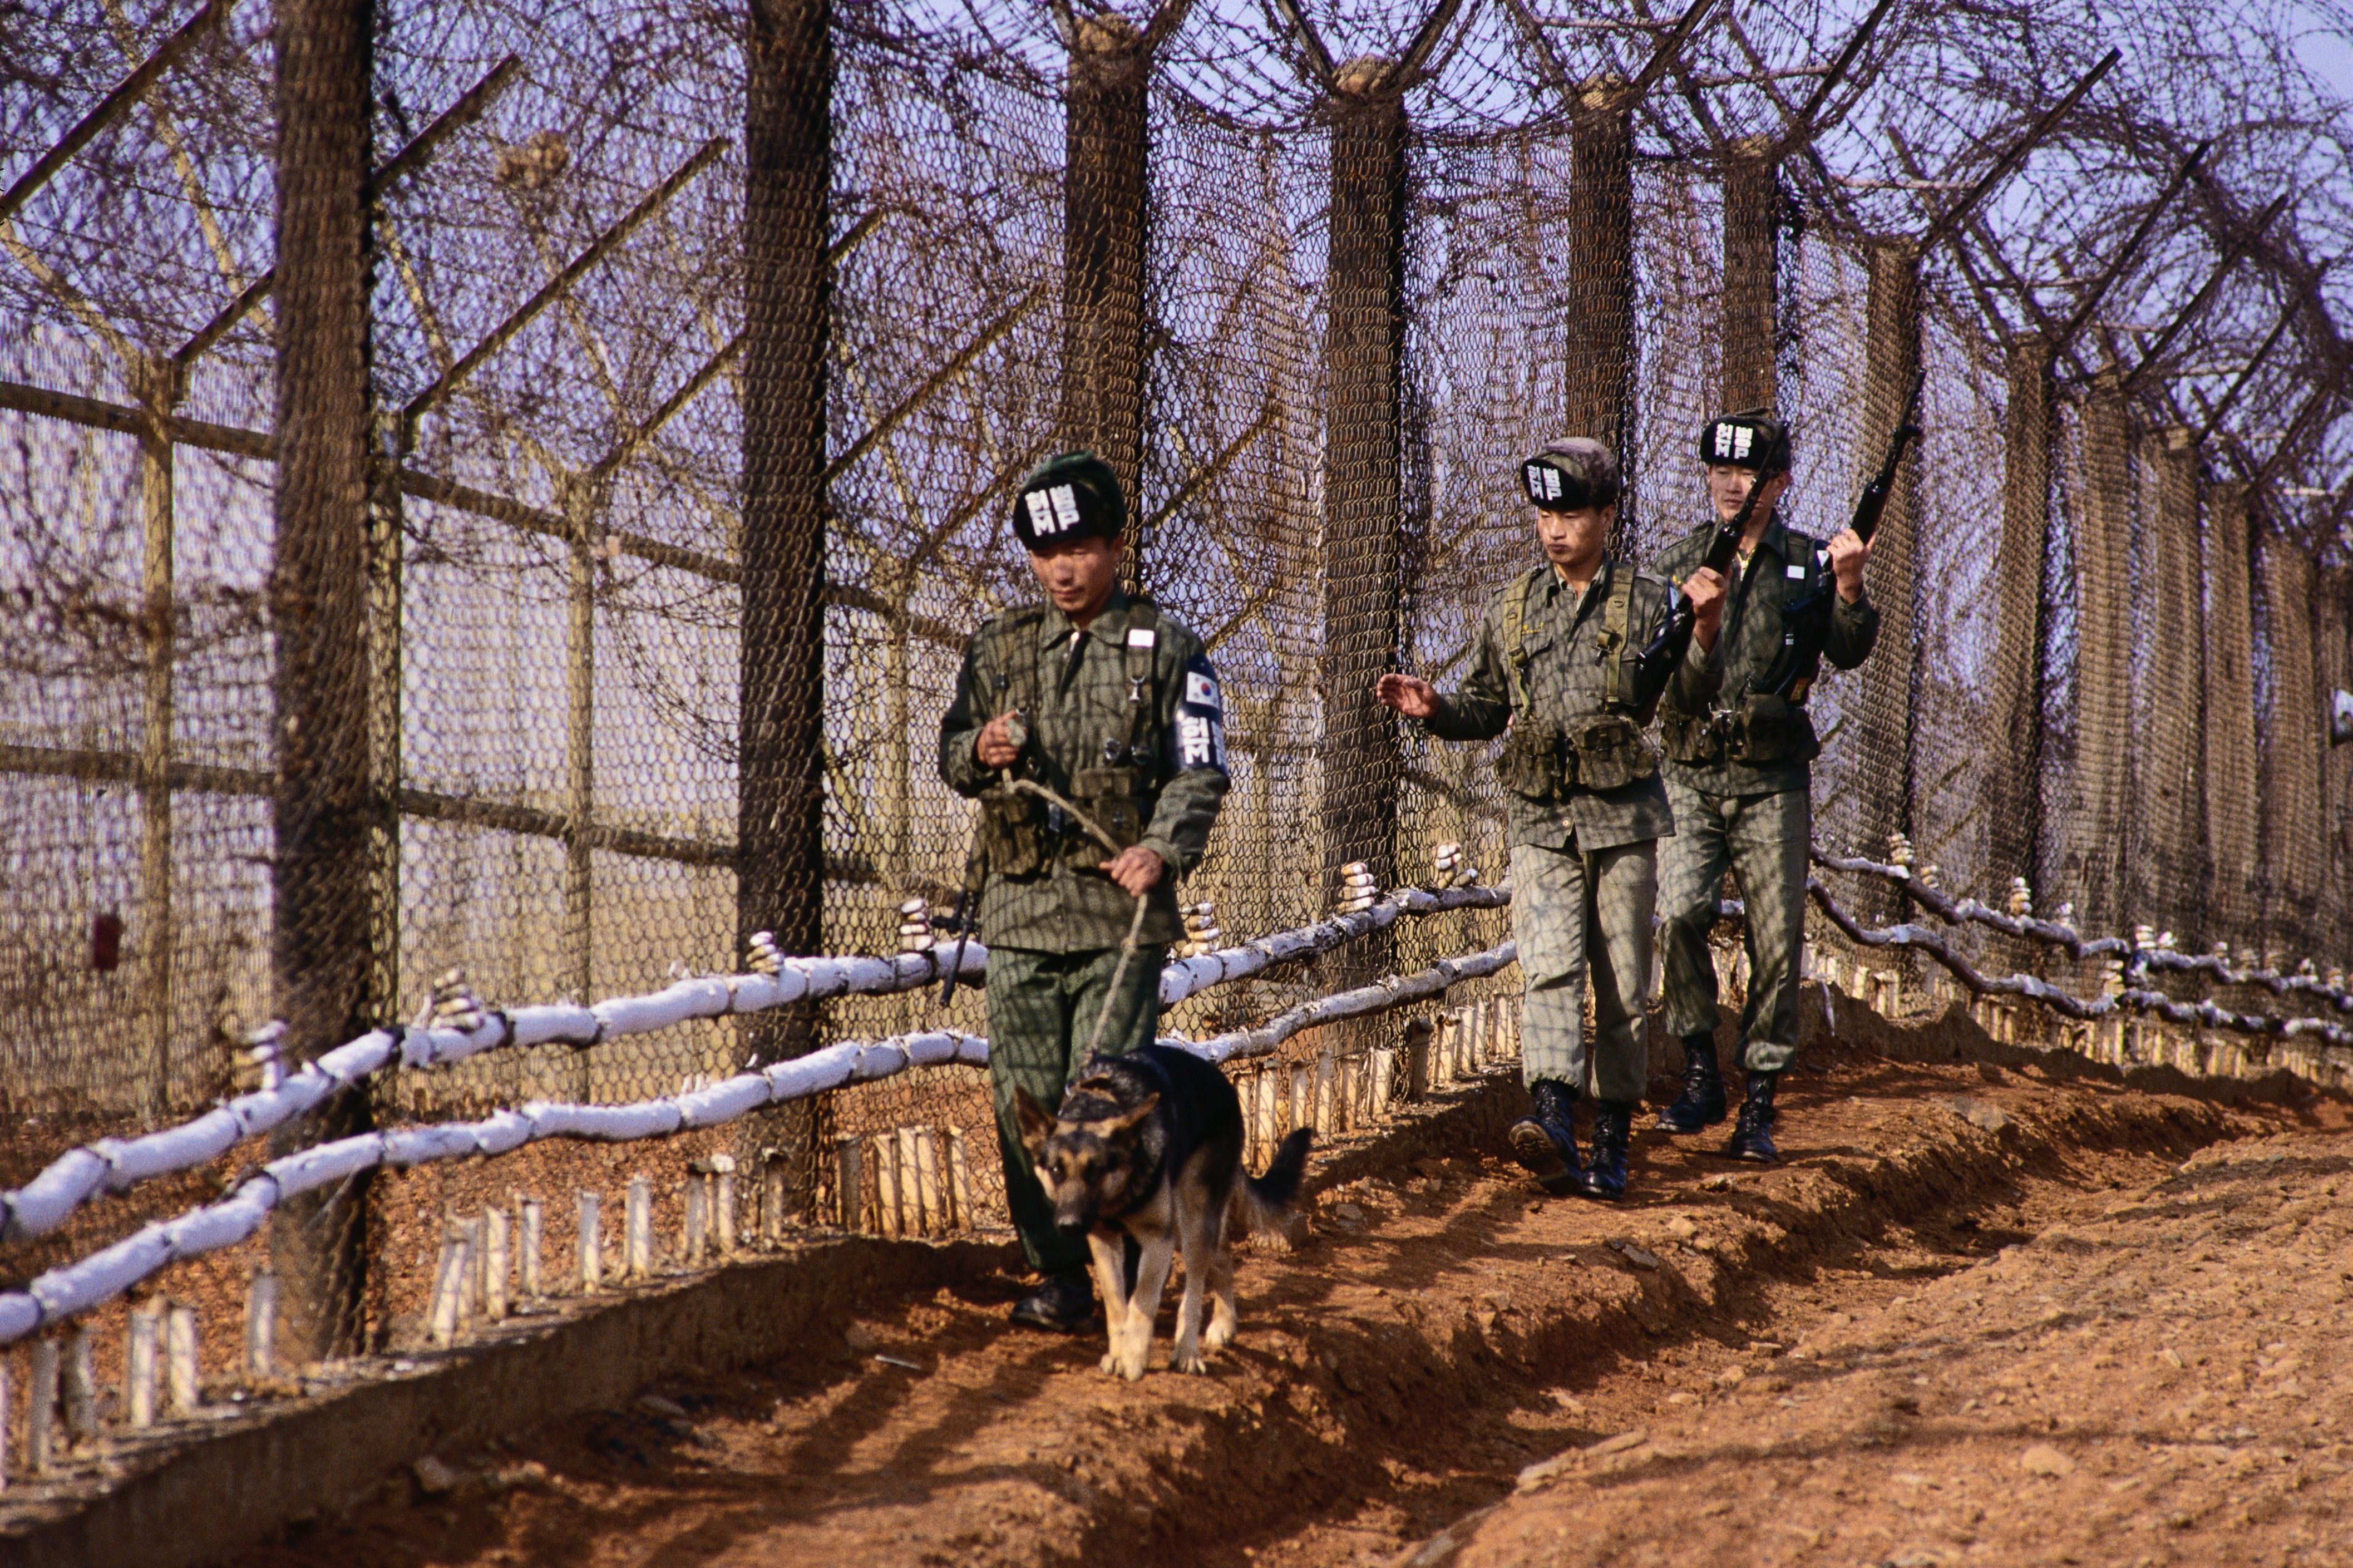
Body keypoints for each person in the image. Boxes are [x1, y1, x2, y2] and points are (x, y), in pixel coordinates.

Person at [1376, 438, 1725, 1200]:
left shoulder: (1651, 600)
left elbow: (1693, 697)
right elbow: (1486, 706)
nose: (1555, 528)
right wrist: (1434, 709)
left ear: (1606, 514)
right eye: (1544, 513)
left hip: (1623, 814)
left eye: (1571, 512)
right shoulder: (1510, 607)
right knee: (1548, 966)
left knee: (1623, 981)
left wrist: (1702, 630)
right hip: (1539, 814)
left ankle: (1612, 1138)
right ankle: (1553, 1120)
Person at [938, 450, 1230, 1332]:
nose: (1062, 568)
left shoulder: (1167, 649)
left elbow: (1201, 769)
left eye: (1080, 547)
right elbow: (951, 751)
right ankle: (1062, 1269)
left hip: (1116, 918)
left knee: (1098, 1101)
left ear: (1114, 546)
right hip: (1021, 911)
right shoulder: (999, 646)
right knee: (1024, 1102)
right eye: (1044, 551)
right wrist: (978, 748)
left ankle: (1125, 1268)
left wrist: (1159, 850)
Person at [1649, 409, 1878, 1162]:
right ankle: (1695, 1069)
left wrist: (1848, 587)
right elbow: (1657, 673)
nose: (1731, 486)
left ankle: (1761, 1099)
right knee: (1679, 913)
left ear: (1778, 482)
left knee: (1774, 934)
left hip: (1772, 774)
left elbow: (1847, 650)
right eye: (1720, 472)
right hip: (1690, 767)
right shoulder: (1680, 560)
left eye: (1747, 475)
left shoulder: (1808, 562)